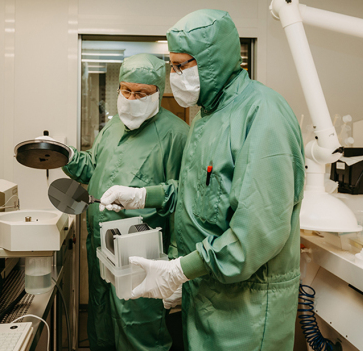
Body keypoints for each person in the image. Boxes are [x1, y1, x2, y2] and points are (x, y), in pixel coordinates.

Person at [99, 10, 306, 350]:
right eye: (173, 67)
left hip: (245, 310)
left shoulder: (262, 113)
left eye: (183, 66)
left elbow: (257, 232)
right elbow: (200, 196)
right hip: (208, 293)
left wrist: (182, 269)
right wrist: (142, 196)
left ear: (212, 61)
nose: (175, 77)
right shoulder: (207, 117)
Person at [62, 53, 189, 351]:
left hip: (141, 255)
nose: (131, 99)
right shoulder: (112, 127)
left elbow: (184, 198)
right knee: (101, 325)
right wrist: (67, 158)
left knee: (139, 333)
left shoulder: (177, 136)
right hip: (99, 249)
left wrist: (176, 263)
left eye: (141, 93)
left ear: (158, 92)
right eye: (126, 90)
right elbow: (94, 168)